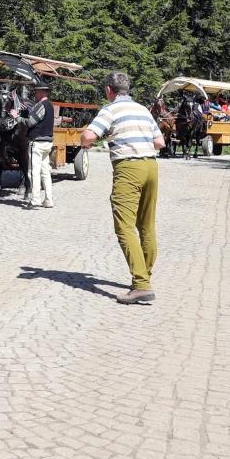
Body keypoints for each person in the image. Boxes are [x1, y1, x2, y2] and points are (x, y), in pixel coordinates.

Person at [81, 71, 166, 305]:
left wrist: (91, 139)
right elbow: (160, 143)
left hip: (128, 169)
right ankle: (144, 276)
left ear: (109, 89)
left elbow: (88, 136)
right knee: (147, 226)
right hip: (151, 166)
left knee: (125, 227)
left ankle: (141, 285)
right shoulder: (143, 110)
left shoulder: (110, 110)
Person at [18, 81, 55, 208]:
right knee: (45, 172)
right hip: (47, 142)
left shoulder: (41, 105)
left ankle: (35, 199)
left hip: (37, 143)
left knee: (33, 172)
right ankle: (49, 200)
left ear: (42, 92)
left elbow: (30, 122)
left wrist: (17, 117)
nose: (35, 93)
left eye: (36, 91)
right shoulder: (50, 105)